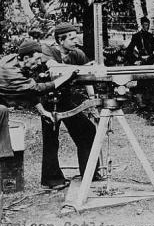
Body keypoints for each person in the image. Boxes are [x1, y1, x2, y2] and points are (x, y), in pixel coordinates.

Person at [41, 22, 102, 189]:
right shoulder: (48, 50)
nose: (77, 41)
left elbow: (88, 77)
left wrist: (92, 100)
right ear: (61, 40)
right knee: (51, 140)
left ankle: (89, 172)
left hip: (66, 100)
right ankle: (52, 180)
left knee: (87, 131)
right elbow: (54, 68)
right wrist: (79, 69)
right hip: (49, 100)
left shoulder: (77, 53)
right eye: (72, 38)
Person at [0, 40, 74, 161]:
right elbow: (37, 89)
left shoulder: (13, 59)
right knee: (2, 111)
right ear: (26, 58)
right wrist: (65, 78)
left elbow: (27, 92)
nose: (39, 63)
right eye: (37, 59)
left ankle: (5, 164)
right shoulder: (10, 72)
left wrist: (43, 111)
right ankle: (5, 161)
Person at [125, 16, 154, 107]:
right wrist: (135, 60)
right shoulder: (136, 36)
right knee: (141, 81)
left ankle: (148, 99)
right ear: (142, 25)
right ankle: (139, 100)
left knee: (150, 80)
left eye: (148, 25)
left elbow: (153, 49)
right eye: (145, 25)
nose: (146, 27)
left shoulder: (151, 37)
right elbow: (129, 50)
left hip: (149, 61)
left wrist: (151, 57)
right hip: (140, 61)